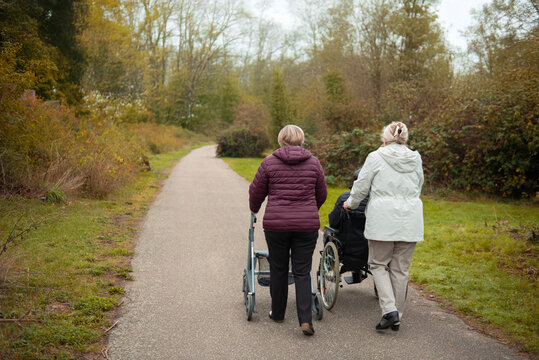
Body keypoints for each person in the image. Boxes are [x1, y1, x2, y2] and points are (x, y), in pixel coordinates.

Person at [343, 121, 424, 331]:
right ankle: (398, 315)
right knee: (400, 269)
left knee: (378, 264)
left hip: (383, 218)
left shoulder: (376, 157)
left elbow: (361, 186)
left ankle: (390, 311)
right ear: (405, 139)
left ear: (385, 139)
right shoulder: (416, 158)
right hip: (411, 218)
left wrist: (350, 203)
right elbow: (419, 185)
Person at [249, 125, 327, 336]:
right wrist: (310, 210)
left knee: (279, 268)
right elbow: (322, 193)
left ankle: (278, 313)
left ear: (281, 140)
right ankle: (305, 320)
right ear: (302, 141)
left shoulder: (269, 162)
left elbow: (256, 191)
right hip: (306, 225)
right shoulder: (314, 163)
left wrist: (254, 208)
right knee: (302, 271)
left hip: (277, 226)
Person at [328, 169, 369, 279]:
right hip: (371, 247)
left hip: (346, 246)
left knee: (329, 231)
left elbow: (333, 220)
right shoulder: (376, 200)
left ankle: (330, 268)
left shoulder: (344, 198)